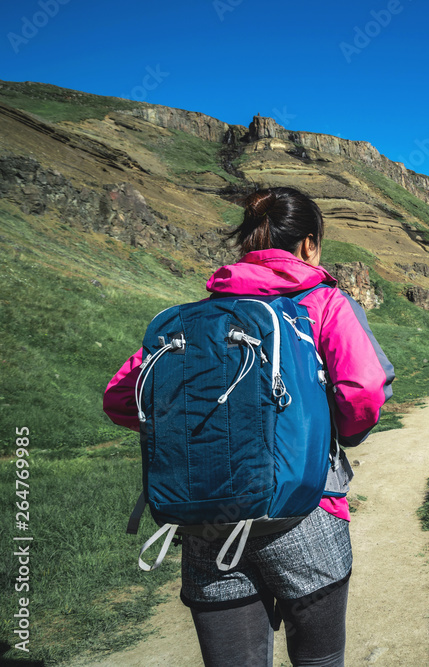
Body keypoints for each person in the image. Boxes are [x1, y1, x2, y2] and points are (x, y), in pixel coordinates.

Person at [103, 186, 395, 667]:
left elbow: (121, 397)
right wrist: (339, 434)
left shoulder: (196, 319)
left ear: (247, 245)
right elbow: (362, 390)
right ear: (309, 244)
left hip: (206, 522)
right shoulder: (324, 303)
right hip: (305, 514)